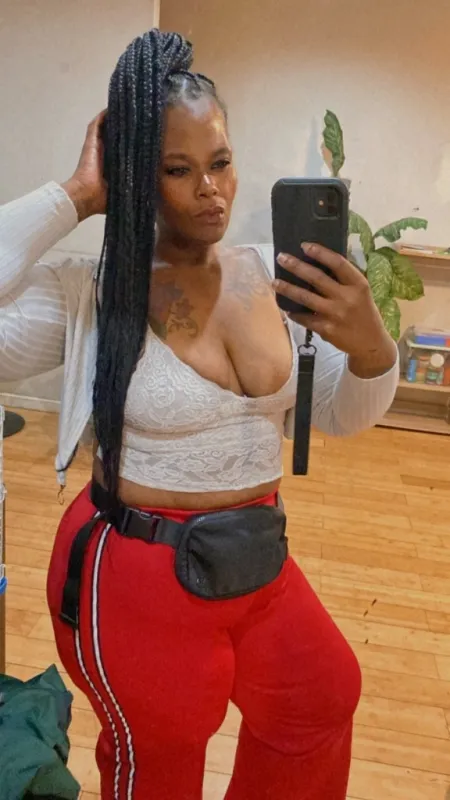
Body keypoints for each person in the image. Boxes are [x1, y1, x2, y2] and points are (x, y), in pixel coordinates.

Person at [0, 29, 399, 800]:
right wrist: (76, 195)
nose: (210, 189)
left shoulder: (273, 277)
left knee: (320, 698)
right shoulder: (95, 294)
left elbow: (337, 416)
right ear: (134, 176)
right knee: (162, 759)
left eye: (220, 161)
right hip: (137, 574)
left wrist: (371, 348)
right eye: (178, 170)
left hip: (255, 555)